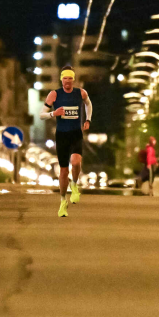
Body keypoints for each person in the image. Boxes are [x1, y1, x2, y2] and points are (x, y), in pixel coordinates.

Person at [40, 65, 92, 217]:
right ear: (61, 79)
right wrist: (53, 113)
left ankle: (74, 184)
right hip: (61, 135)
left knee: (76, 162)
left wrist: (88, 119)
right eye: (65, 78)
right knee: (63, 171)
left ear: (73, 80)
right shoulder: (54, 95)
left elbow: (88, 104)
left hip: (76, 133)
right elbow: (41, 115)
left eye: (70, 78)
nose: (67, 81)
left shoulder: (80, 93)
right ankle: (63, 201)